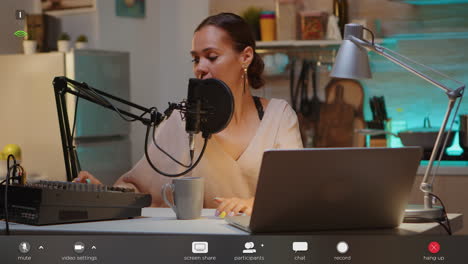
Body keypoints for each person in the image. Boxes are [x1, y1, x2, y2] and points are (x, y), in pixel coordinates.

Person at [74, 13, 303, 217]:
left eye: (211, 56)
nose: (200, 67)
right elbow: (139, 188)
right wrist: (103, 194)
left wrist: (254, 204)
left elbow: (297, 190)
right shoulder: (182, 119)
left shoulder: (279, 116)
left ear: (245, 57)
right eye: (195, 59)